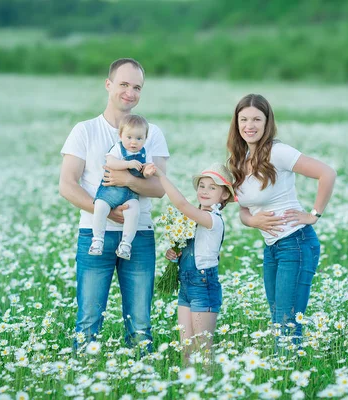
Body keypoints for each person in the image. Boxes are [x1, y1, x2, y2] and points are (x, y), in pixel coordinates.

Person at [59, 58, 169, 353]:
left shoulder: (152, 133)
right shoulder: (85, 130)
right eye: (123, 84)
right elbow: (67, 185)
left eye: (137, 87)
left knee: (141, 323)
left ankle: (142, 380)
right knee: (88, 320)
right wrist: (104, 208)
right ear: (108, 85)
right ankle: (81, 376)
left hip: (139, 236)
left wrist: (124, 178)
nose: (130, 92)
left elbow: (159, 188)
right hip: (94, 234)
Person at [226, 93, 336, 347]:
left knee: (287, 321)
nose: (249, 126)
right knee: (278, 319)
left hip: (295, 243)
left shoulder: (278, 152)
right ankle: (287, 373)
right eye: (243, 119)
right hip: (272, 248)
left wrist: (313, 215)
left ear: (267, 123)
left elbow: (327, 173)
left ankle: (290, 378)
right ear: (236, 123)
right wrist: (252, 222)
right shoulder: (239, 161)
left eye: (256, 119)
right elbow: (244, 210)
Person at [144, 162, 233, 362]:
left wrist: (160, 175)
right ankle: (188, 389)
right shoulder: (192, 219)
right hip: (186, 286)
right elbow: (192, 247)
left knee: (203, 350)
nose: (205, 191)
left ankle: (207, 388)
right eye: (202, 185)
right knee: (187, 349)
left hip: (203, 286)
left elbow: (182, 205)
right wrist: (175, 252)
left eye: (213, 187)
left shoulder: (213, 220)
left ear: (225, 195)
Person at [89, 114, 155, 259]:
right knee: (100, 207)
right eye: (129, 137)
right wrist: (128, 164)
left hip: (130, 194)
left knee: (134, 211)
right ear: (120, 135)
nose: (134, 142)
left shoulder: (144, 153)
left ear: (145, 138)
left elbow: (146, 170)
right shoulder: (118, 149)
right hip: (110, 191)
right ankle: (97, 240)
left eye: (139, 138)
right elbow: (111, 163)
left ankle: (126, 244)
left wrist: (148, 172)